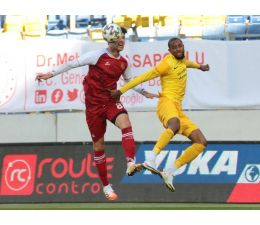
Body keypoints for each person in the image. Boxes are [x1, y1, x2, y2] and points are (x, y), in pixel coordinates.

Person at [36, 23, 158, 201]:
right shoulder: (96, 56)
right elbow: (71, 64)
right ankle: (106, 186)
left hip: (110, 102)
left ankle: (130, 163)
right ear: (110, 41)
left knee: (126, 123)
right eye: (118, 39)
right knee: (99, 146)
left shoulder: (123, 63)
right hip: (93, 107)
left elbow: (130, 80)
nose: (121, 41)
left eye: (123, 38)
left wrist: (143, 91)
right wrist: (50, 74)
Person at [109, 37, 210, 192]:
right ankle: (151, 159)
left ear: (183, 47)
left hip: (178, 109)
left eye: (180, 46)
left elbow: (189, 64)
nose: (178, 49)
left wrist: (201, 66)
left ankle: (169, 171)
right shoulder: (166, 64)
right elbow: (143, 77)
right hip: (166, 103)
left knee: (201, 142)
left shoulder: (183, 60)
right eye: (174, 47)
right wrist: (120, 91)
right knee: (174, 125)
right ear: (169, 51)